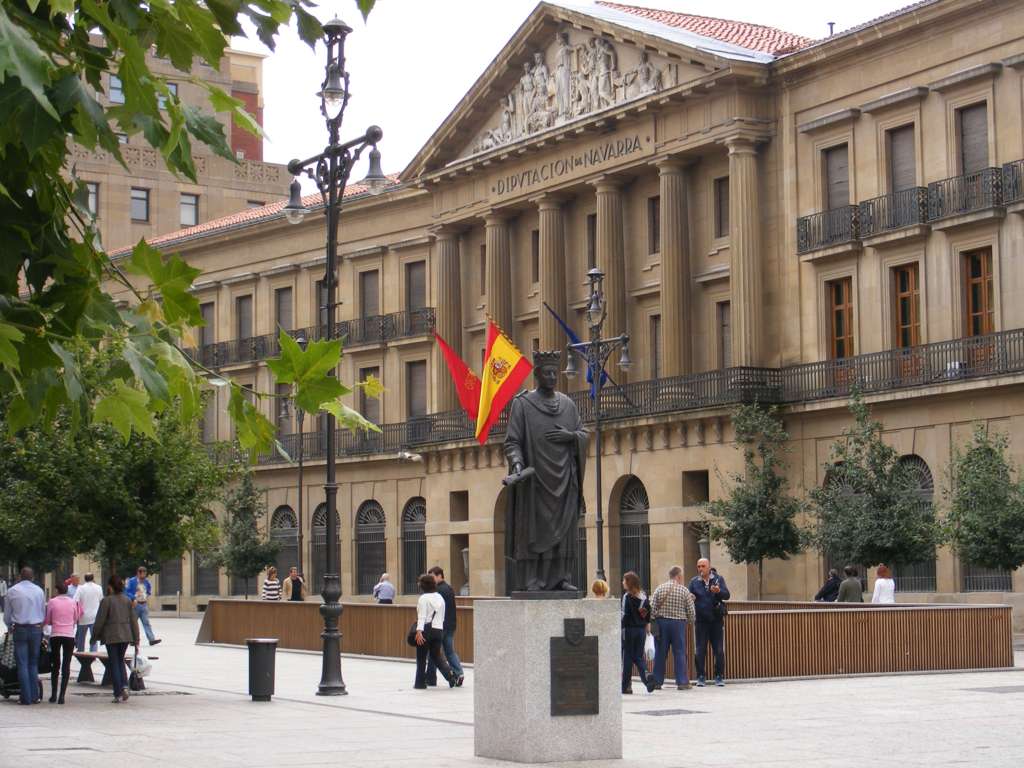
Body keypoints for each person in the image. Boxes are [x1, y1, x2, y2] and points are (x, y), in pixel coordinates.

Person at [503, 351, 588, 592]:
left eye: (555, 373)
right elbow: (512, 442)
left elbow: (583, 434)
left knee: (563, 531)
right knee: (534, 529)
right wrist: (517, 463)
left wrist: (570, 436)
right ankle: (532, 580)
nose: (552, 377)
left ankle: (559, 578)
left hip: (564, 478)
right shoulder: (522, 404)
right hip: (535, 482)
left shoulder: (568, 405)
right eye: (547, 373)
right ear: (537, 375)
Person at [92, 574, 140, 704]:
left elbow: (100, 620)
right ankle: (124, 686)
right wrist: (136, 639)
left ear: (110, 586)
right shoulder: (127, 600)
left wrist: (94, 636)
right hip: (125, 635)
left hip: (111, 636)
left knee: (114, 663)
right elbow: (134, 621)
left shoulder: (107, 601)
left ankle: (118, 692)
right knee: (120, 661)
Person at [3, 567, 46, 705]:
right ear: (33, 577)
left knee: (22, 664)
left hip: (20, 629)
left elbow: (7, 615)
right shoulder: (39, 591)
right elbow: (42, 611)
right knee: (33, 663)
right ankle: (35, 696)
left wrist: (10, 626)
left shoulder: (12, 591)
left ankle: (25, 697)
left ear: (20, 576)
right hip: (36, 629)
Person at [651, 565, 696, 691]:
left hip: (661, 624)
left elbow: (652, 608)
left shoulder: (660, 588)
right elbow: (691, 612)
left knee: (660, 653)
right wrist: (690, 622)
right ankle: (682, 682)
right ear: (679, 576)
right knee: (680, 652)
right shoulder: (684, 591)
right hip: (678, 624)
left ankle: (657, 681)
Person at [689, 558, 730, 687]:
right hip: (701, 621)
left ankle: (719, 676)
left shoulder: (718, 579)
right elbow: (689, 596)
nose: (700, 569)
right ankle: (701, 676)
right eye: (699, 566)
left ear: (709, 567)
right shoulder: (694, 582)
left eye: (703, 566)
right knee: (700, 649)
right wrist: (690, 597)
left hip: (716, 620)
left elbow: (727, 595)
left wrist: (719, 591)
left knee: (718, 649)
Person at [413, 573, 455, 689]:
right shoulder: (439, 597)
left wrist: (419, 631)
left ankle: (420, 683)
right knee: (436, 656)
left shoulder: (423, 598)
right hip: (438, 630)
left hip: (426, 629)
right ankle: (450, 677)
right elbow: (442, 615)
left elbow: (422, 616)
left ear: (423, 585)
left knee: (421, 658)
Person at [425, 566, 464, 687]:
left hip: (440, 626)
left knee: (433, 652)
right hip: (450, 625)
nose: (431, 580)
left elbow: (435, 609)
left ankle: (431, 678)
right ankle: (459, 673)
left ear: (439, 576)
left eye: (432, 577)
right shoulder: (449, 588)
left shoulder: (438, 591)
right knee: (449, 652)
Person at [43, 581, 81, 704]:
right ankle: (62, 696)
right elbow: (76, 618)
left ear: (57, 590)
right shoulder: (73, 602)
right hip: (69, 635)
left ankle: (53, 695)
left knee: (55, 664)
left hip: (55, 635)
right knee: (66, 664)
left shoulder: (52, 602)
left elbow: (48, 619)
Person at [621, 571, 655, 694]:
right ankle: (647, 676)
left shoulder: (627, 597)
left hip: (629, 630)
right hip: (641, 631)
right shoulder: (644, 597)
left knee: (628, 658)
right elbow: (647, 615)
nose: (622, 583)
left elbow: (624, 615)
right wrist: (647, 628)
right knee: (638, 656)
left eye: (624, 580)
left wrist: (620, 626)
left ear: (629, 582)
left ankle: (625, 686)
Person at [124, 566, 161, 646]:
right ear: (138, 573)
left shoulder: (146, 581)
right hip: (135, 604)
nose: (144, 576)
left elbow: (148, 590)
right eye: (142, 574)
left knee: (146, 622)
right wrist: (133, 597)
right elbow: (126, 592)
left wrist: (146, 595)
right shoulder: (131, 581)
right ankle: (132, 639)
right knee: (133, 623)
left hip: (143, 604)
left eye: (145, 574)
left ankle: (151, 639)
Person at [74, 573, 103, 652]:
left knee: (81, 637)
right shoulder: (99, 588)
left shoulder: (80, 588)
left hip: (83, 616)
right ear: (93, 578)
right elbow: (101, 600)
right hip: (95, 616)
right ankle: (93, 653)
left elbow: (75, 601)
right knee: (94, 637)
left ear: (85, 579)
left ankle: (80, 652)